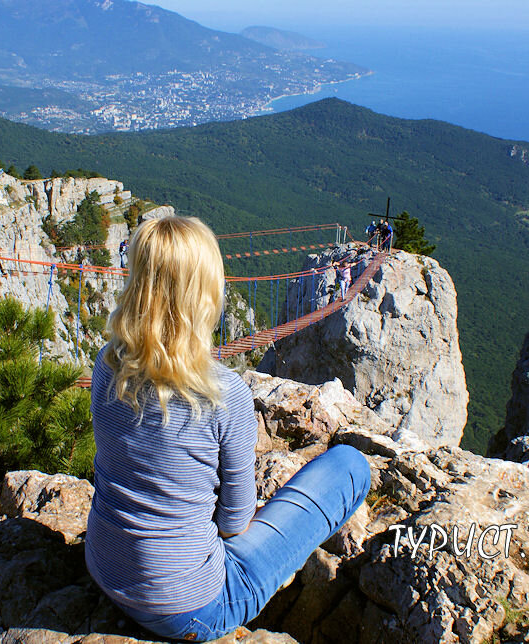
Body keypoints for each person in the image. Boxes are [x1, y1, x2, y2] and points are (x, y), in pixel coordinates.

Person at [85, 216, 371, 642]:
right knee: (350, 464)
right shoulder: (224, 395)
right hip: (191, 611)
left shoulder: (108, 364)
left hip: (104, 569)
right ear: (204, 296)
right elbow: (234, 522)